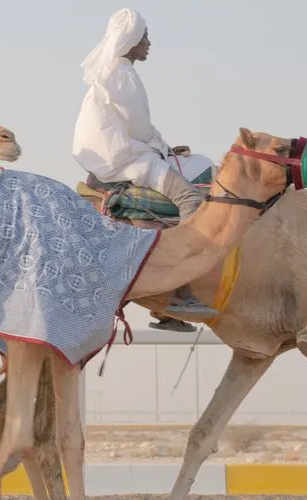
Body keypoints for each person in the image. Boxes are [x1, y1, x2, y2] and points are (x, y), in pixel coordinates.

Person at [72, 8, 217, 331]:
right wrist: (161, 149)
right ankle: (182, 291)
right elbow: (139, 129)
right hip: (128, 160)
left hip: (118, 157)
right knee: (191, 201)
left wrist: (164, 147)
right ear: (132, 40)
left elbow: (137, 127)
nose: (149, 43)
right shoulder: (122, 73)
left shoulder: (110, 73)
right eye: (145, 36)